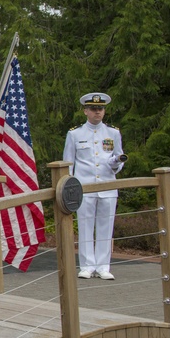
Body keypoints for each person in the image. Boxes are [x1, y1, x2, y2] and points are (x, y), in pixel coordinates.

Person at [63, 92, 124, 280]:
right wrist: (70, 187)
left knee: (106, 226)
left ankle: (103, 266)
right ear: (86, 111)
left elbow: (120, 158)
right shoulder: (75, 134)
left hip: (107, 185)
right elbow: (68, 163)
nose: (98, 112)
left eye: (101, 109)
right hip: (85, 187)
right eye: (94, 109)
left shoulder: (113, 132)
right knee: (85, 226)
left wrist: (116, 163)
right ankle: (87, 266)